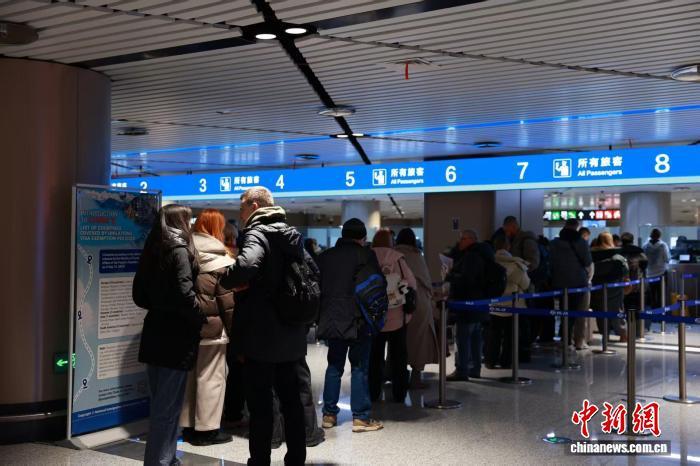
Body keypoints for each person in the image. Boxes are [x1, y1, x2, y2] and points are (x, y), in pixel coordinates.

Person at [219, 187, 306, 466]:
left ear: (255, 206)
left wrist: (228, 277)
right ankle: (296, 459)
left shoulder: (257, 233)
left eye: (242, 206)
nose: (241, 213)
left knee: (261, 405)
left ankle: (259, 461)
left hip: (261, 334)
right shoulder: (291, 234)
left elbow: (246, 265)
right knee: (292, 402)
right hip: (291, 329)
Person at [133, 204, 205, 466]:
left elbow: (138, 295)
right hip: (177, 336)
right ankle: (160, 462)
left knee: (161, 406)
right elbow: (186, 294)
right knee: (169, 408)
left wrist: (160, 305)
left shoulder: (152, 250)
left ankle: (166, 458)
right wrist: (200, 315)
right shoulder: (180, 250)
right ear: (181, 222)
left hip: (154, 332)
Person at [318, 218, 386, 433]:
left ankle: (329, 415)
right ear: (362, 237)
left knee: (334, 366)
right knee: (359, 368)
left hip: (331, 318)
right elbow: (377, 286)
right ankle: (361, 418)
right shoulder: (366, 255)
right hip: (358, 320)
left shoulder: (326, 256)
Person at [179, 209, 234, 446]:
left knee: (190, 378)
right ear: (217, 229)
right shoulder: (220, 260)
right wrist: (235, 332)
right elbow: (227, 304)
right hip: (212, 329)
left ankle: (188, 427)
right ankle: (207, 430)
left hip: (187, 326)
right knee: (211, 378)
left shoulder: (184, 252)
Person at [369, 229, 417, 402]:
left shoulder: (367, 257)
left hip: (373, 317)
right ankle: (399, 393)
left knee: (374, 357)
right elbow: (411, 283)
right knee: (399, 357)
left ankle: (373, 391)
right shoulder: (398, 258)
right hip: (397, 317)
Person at [446, 230, 494, 381]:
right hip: (480, 303)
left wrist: (450, 276)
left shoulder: (471, 256)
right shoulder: (483, 253)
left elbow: (466, 280)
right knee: (475, 338)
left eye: (463, 239)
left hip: (467, 304)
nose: (459, 241)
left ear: (471, 239)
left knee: (463, 338)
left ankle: (462, 370)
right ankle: (475, 368)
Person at [394, 228, 438, 388]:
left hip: (396, 303)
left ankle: (395, 374)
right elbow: (426, 282)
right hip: (419, 304)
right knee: (419, 340)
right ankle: (416, 376)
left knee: (397, 340)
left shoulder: (393, 255)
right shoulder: (417, 256)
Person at [486, 235, 530, 369]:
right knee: (511, 335)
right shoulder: (516, 264)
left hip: (493, 305)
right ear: (508, 246)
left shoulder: (489, 263)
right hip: (512, 306)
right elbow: (525, 284)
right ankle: (506, 361)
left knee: (493, 334)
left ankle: (490, 360)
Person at [549, 218, 593, 347]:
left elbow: (550, 262)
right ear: (577, 227)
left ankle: (565, 339)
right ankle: (577, 341)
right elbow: (587, 262)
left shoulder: (554, 243)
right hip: (578, 282)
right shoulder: (581, 242)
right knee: (578, 312)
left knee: (564, 311)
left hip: (559, 282)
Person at [502, 216, 540, 362]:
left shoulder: (526, 241)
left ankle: (524, 351)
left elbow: (533, 263)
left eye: (507, 230)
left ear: (513, 226)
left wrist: (518, 270)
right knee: (518, 322)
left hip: (524, 286)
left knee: (524, 321)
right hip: (517, 285)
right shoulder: (514, 240)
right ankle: (518, 351)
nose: (506, 233)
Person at [590, 232, 629, 343]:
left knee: (600, 312)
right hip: (615, 288)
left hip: (597, 289)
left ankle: (605, 335)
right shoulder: (617, 256)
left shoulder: (592, 255)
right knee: (617, 311)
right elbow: (625, 271)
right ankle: (623, 335)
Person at [643, 228, 670, 315]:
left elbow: (643, 259)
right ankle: (660, 314)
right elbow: (667, 259)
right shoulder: (663, 245)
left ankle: (653, 313)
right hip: (661, 273)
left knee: (652, 295)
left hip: (649, 274)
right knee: (661, 295)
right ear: (659, 235)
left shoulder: (645, 246)